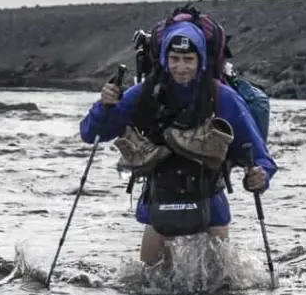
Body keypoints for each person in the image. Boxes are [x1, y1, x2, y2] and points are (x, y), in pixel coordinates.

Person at [78, 19, 278, 265]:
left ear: (200, 61)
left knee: (219, 293)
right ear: (164, 59)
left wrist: (260, 176)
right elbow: (91, 134)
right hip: (158, 203)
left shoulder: (222, 97)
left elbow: (261, 157)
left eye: (188, 60)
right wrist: (103, 106)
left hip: (210, 206)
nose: (181, 67)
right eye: (174, 58)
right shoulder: (143, 94)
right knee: (148, 293)